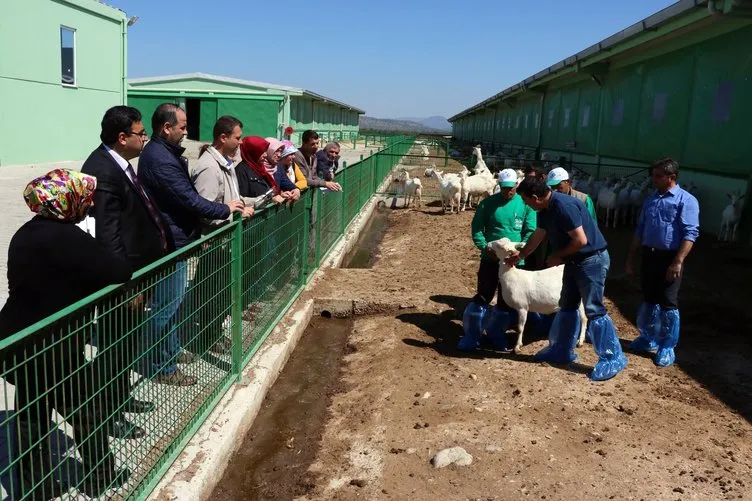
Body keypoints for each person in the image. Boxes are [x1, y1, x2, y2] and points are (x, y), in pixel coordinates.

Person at [0, 169, 132, 499]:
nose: (88, 206)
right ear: (65, 199)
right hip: (54, 344)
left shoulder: (25, 233)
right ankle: (102, 476)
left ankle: (35, 488)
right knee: (87, 408)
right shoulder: (68, 237)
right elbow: (118, 270)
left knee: (32, 415)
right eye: (84, 199)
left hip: (16, 339)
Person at [138, 103, 244, 386]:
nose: (187, 131)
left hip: (177, 238)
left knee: (172, 305)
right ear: (167, 128)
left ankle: (170, 351)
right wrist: (225, 210)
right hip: (171, 242)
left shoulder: (165, 153)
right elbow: (190, 199)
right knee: (166, 307)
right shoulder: (160, 158)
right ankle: (161, 366)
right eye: (183, 126)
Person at [81, 105, 171, 439]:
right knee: (113, 348)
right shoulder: (103, 169)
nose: (145, 137)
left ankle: (120, 398)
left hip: (135, 271)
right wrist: (125, 283)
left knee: (125, 344)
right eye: (141, 133)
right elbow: (107, 234)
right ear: (122, 138)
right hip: (122, 279)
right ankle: (107, 415)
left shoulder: (119, 164)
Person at [506, 175, 628, 381]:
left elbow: (581, 240)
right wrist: (522, 255)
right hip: (573, 261)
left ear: (535, 197)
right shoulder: (544, 210)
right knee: (568, 305)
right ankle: (562, 349)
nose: (526, 205)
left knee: (593, 308)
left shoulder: (564, 207)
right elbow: (539, 234)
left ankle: (611, 357)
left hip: (591, 260)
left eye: (526, 201)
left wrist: (558, 255)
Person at [189, 116, 254, 356]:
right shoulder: (208, 167)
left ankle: (214, 332)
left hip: (225, 240)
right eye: (237, 137)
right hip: (215, 241)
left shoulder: (225, 163)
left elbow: (232, 199)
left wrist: (255, 202)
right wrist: (232, 216)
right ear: (223, 138)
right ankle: (207, 336)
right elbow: (205, 210)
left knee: (221, 291)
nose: (240, 142)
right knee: (212, 293)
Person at [625, 157, 699, 367]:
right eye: (653, 175)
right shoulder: (651, 200)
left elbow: (690, 233)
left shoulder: (686, 201)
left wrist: (677, 261)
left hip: (670, 258)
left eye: (658, 176)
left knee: (668, 301)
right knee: (649, 297)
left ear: (671, 177)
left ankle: (667, 345)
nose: (653, 180)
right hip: (649, 255)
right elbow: (640, 230)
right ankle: (648, 337)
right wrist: (630, 258)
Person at [457, 169, 536, 352]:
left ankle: (497, 335)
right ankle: (472, 335)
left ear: (517, 185)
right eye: (503, 188)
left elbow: (530, 230)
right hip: (490, 259)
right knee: (483, 296)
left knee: (506, 300)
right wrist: (485, 247)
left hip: (514, 262)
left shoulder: (525, 205)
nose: (507, 192)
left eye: (511, 188)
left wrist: (520, 250)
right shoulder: (487, 204)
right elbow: (477, 229)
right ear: (498, 185)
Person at [236, 136, 300, 202]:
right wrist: (271, 199)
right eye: (262, 151)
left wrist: (295, 189)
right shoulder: (242, 171)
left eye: (281, 151)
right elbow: (244, 198)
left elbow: (284, 183)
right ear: (253, 152)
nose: (279, 155)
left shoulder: (262, 167)